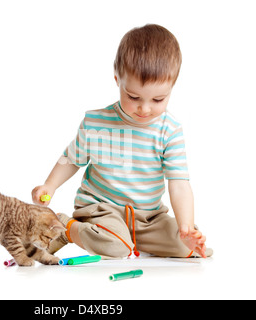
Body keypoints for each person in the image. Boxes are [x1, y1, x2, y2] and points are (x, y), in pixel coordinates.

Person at [32, 24, 212, 259]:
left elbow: (179, 184)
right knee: (117, 248)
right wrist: (50, 185)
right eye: (133, 96)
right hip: (100, 209)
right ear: (118, 79)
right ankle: (66, 227)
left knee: (189, 247)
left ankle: (128, 237)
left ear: (172, 87)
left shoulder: (170, 131)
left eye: (158, 99)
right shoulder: (96, 122)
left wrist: (186, 227)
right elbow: (71, 159)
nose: (145, 108)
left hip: (147, 218)